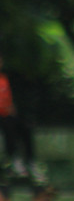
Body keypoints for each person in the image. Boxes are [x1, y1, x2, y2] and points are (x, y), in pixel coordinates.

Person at [0, 53, 41, 181]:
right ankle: (13, 158)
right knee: (9, 125)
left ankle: (30, 160)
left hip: (8, 113)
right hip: (2, 115)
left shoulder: (5, 79)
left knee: (25, 125)